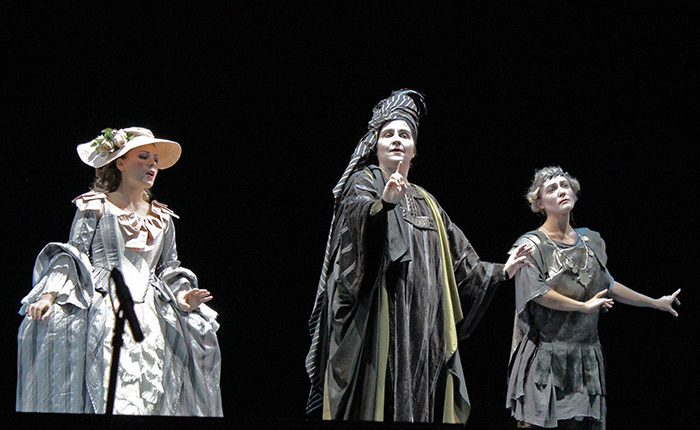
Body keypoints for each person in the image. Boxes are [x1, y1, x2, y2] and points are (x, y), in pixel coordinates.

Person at [305, 90, 532, 423]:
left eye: (405, 135)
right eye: (388, 134)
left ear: (414, 149)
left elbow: (460, 260)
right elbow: (354, 228)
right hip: (380, 320)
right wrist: (383, 206)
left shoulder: (427, 201)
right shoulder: (363, 182)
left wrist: (501, 270)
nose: (397, 140)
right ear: (376, 145)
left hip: (423, 327)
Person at [16, 127, 223, 416]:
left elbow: (168, 267)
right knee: (110, 385)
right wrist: (49, 295)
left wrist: (184, 295)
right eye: (143, 157)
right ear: (120, 163)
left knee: (151, 387)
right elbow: (74, 254)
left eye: (154, 160)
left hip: (151, 316)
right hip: (104, 304)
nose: (152, 165)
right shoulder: (94, 206)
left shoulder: (162, 217)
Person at [506, 166, 681, 429]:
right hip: (546, 357)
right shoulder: (531, 244)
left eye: (565, 185)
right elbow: (537, 293)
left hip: (584, 356)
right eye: (552, 189)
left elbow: (607, 284)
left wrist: (655, 302)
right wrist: (583, 306)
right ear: (539, 203)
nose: (562, 191)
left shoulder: (592, 240)